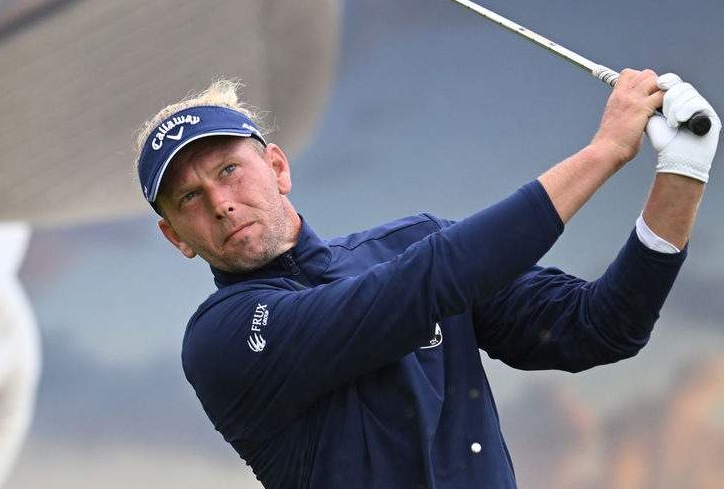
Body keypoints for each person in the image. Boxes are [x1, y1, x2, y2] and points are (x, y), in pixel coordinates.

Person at [134, 71, 719, 488]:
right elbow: (416, 289)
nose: (220, 202)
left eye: (230, 170)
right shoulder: (221, 338)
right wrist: (604, 152)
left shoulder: (415, 244)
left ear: (278, 169)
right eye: (189, 196)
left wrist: (682, 176)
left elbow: (601, 327)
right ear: (176, 237)